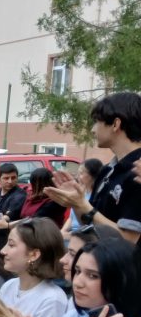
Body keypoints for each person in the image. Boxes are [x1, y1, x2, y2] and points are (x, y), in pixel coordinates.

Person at [46, 92, 141, 244]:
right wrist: (76, 202)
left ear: (115, 124)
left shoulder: (137, 172)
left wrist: (84, 206)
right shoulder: (107, 171)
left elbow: (128, 241)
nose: (92, 129)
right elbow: (89, 225)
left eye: (97, 122)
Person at [0, 168, 67, 231]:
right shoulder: (31, 195)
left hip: (44, 236)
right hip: (27, 231)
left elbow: (33, 220)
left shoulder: (54, 202)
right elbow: (17, 212)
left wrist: (8, 225)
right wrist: (1, 220)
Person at [62, 158, 103, 238]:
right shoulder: (81, 193)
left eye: (81, 173)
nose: (77, 177)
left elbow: (92, 228)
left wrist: (68, 236)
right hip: (73, 234)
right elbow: (71, 218)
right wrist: (63, 231)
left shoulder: (98, 198)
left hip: (85, 237)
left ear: (93, 175)